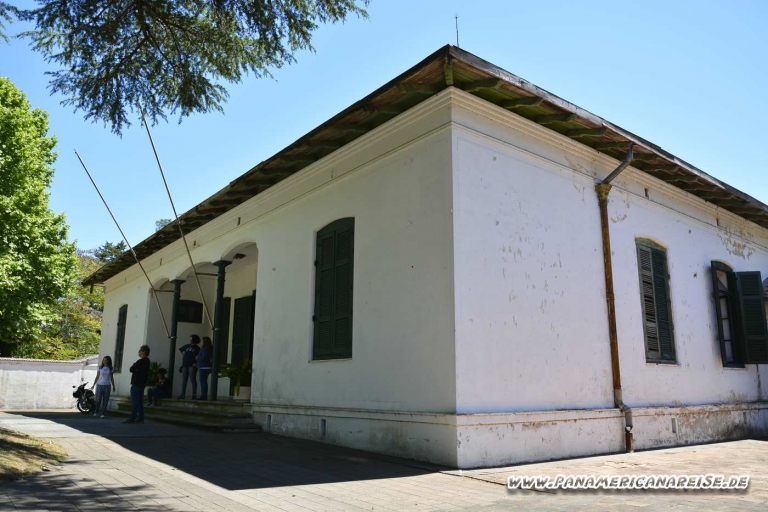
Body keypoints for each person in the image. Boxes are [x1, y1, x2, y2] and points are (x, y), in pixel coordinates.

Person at [124, 345, 151, 424]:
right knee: (139, 402)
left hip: (136, 383)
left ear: (144, 352)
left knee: (135, 402)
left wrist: (134, 365)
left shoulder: (140, 361)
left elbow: (131, 369)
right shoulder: (147, 361)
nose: (139, 352)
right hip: (142, 384)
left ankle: (133, 417)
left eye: (140, 351)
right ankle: (140, 418)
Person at [177, 334, 201, 399]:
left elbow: (199, 357)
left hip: (192, 365)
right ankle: (182, 394)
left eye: (191, 339)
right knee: (184, 380)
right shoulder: (187, 346)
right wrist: (183, 354)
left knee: (193, 379)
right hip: (185, 364)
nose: (190, 340)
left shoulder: (197, 348)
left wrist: (196, 363)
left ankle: (194, 394)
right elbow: (180, 349)